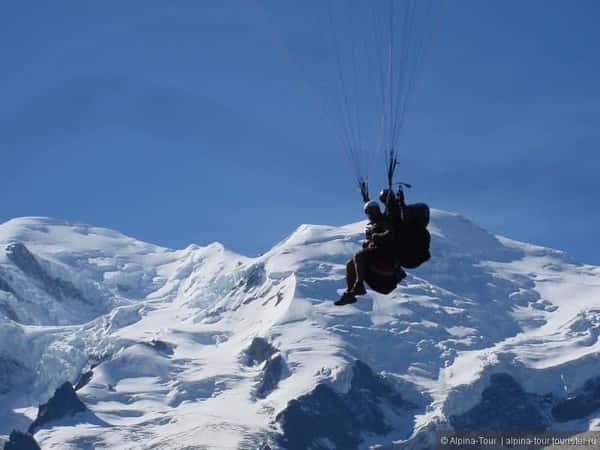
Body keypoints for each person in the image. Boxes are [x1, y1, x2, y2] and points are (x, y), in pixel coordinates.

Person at [335, 200, 406, 306]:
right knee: (350, 264)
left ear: (378, 210)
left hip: (386, 253)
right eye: (369, 211)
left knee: (359, 255)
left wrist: (376, 236)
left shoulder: (384, 221)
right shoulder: (374, 225)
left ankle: (359, 285)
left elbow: (390, 233)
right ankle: (350, 293)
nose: (371, 213)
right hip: (377, 253)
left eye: (373, 210)